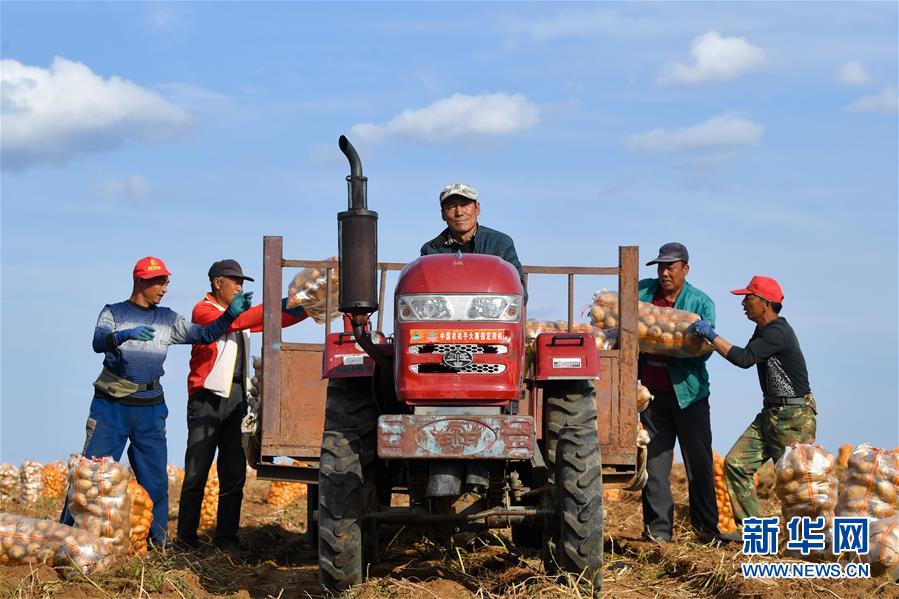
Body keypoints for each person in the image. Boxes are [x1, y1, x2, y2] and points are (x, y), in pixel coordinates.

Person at [61, 256, 253, 547]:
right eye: (160, 282)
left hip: (150, 409)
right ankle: (66, 537)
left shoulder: (168, 318)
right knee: (90, 475)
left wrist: (229, 317)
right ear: (141, 281)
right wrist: (124, 335)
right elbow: (98, 342)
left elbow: (204, 335)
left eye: (167, 282)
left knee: (156, 484)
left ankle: (158, 544)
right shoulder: (113, 312)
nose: (165, 288)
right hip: (111, 406)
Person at [176, 259, 307, 550]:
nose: (239, 286)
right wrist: (281, 301)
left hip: (235, 399)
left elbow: (273, 319)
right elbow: (237, 321)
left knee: (233, 473)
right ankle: (185, 539)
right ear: (216, 282)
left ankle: (226, 540)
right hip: (207, 399)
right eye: (234, 280)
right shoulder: (205, 310)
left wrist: (305, 307)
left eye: (242, 282)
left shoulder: (239, 314)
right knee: (197, 472)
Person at [691, 275, 815, 526]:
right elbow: (742, 356)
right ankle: (755, 532)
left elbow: (744, 359)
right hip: (771, 413)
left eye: (748, 297)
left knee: (796, 484)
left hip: (793, 418)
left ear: (765, 303)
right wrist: (711, 341)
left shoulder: (778, 333)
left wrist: (712, 337)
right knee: (736, 463)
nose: (743, 303)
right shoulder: (762, 329)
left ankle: (808, 544)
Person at [638, 242, 724, 544]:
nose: (664, 273)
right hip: (652, 398)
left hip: (690, 396)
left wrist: (674, 342)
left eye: (670, 267)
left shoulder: (700, 303)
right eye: (660, 267)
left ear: (685, 269)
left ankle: (707, 531)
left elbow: (703, 350)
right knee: (654, 468)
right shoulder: (642, 293)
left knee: (698, 466)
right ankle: (658, 532)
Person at [420, 183, 527, 300]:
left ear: (477, 208)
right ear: (443, 214)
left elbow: (520, 291)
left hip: (489, 315)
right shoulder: (431, 250)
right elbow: (423, 293)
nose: (459, 212)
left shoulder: (500, 243)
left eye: (465, 205)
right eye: (451, 206)